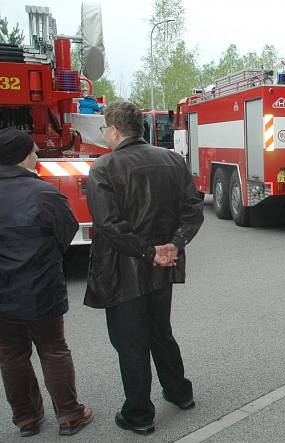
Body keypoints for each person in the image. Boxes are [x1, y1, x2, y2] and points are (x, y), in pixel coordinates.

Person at [85, 102, 204, 435]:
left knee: (131, 341)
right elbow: (193, 212)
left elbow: (108, 225)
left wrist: (150, 251)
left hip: (124, 269)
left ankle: (139, 414)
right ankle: (180, 392)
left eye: (103, 129)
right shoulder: (171, 160)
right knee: (160, 331)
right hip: (159, 267)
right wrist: (172, 246)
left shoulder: (104, 168)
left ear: (113, 129)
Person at [0, 128, 94, 437]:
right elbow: (66, 232)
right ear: (21, 156)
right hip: (41, 286)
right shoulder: (44, 192)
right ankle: (69, 414)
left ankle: (26, 418)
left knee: (11, 353)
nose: (37, 156)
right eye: (33, 152)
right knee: (53, 349)